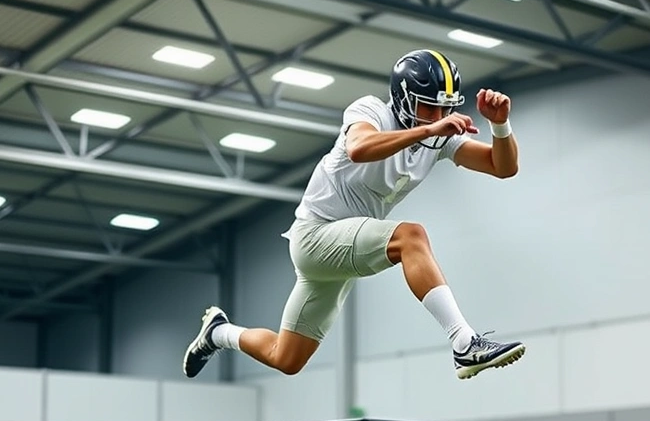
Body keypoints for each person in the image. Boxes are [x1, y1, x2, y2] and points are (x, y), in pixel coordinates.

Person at [183, 49, 525, 381]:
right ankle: (464, 343)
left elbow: (502, 166)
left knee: (285, 358)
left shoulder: (437, 137)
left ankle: (218, 333)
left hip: (339, 249)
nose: (438, 118)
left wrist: (500, 125)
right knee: (411, 236)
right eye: (429, 108)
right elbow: (359, 148)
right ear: (404, 100)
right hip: (315, 236)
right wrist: (429, 130)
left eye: (444, 110)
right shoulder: (372, 110)